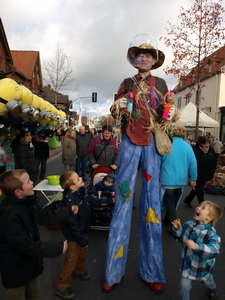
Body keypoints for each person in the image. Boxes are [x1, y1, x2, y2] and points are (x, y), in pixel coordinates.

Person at [101, 33, 179, 293]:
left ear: (154, 60)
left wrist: (171, 112)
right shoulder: (127, 82)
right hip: (130, 144)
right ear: (134, 59)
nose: (144, 57)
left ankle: (152, 270)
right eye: (139, 54)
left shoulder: (161, 83)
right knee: (122, 202)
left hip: (151, 146)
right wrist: (118, 106)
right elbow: (116, 112)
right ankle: (113, 272)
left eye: (148, 54)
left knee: (152, 205)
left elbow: (167, 111)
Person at [0, 169, 79, 300]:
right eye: (28, 182)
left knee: (35, 295)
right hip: (16, 271)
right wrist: (57, 247)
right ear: (18, 192)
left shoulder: (27, 202)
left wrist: (67, 211)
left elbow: (42, 217)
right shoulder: (8, 215)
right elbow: (25, 245)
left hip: (31, 266)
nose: (32, 183)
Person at [171, 201, 222, 300]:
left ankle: (212, 288)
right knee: (184, 286)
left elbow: (214, 250)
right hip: (187, 266)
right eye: (199, 206)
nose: (198, 208)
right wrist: (178, 230)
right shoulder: (188, 224)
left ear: (209, 218)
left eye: (203, 208)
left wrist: (196, 246)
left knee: (208, 281)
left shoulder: (211, 233)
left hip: (202, 268)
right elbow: (180, 238)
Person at [54, 171, 91, 299]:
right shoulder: (69, 202)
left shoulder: (79, 192)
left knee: (82, 253)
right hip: (74, 235)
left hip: (82, 230)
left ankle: (79, 271)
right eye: (78, 179)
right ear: (72, 187)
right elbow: (72, 225)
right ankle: (61, 287)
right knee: (71, 259)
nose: (81, 178)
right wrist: (81, 239)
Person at [160, 126, 197, 233]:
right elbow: (193, 164)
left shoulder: (167, 145)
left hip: (167, 179)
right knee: (174, 201)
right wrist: (193, 178)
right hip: (181, 180)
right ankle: (168, 220)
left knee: (170, 203)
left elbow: (159, 162)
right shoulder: (188, 147)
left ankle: (175, 228)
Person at [183, 136, 217, 207]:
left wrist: (212, 171)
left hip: (207, 172)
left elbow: (214, 161)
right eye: (205, 143)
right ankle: (202, 205)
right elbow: (190, 161)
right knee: (200, 189)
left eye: (208, 143)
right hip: (196, 172)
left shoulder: (211, 149)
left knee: (197, 188)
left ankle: (187, 200)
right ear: (200, 143)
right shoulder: (194, 150)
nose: (207, 145)